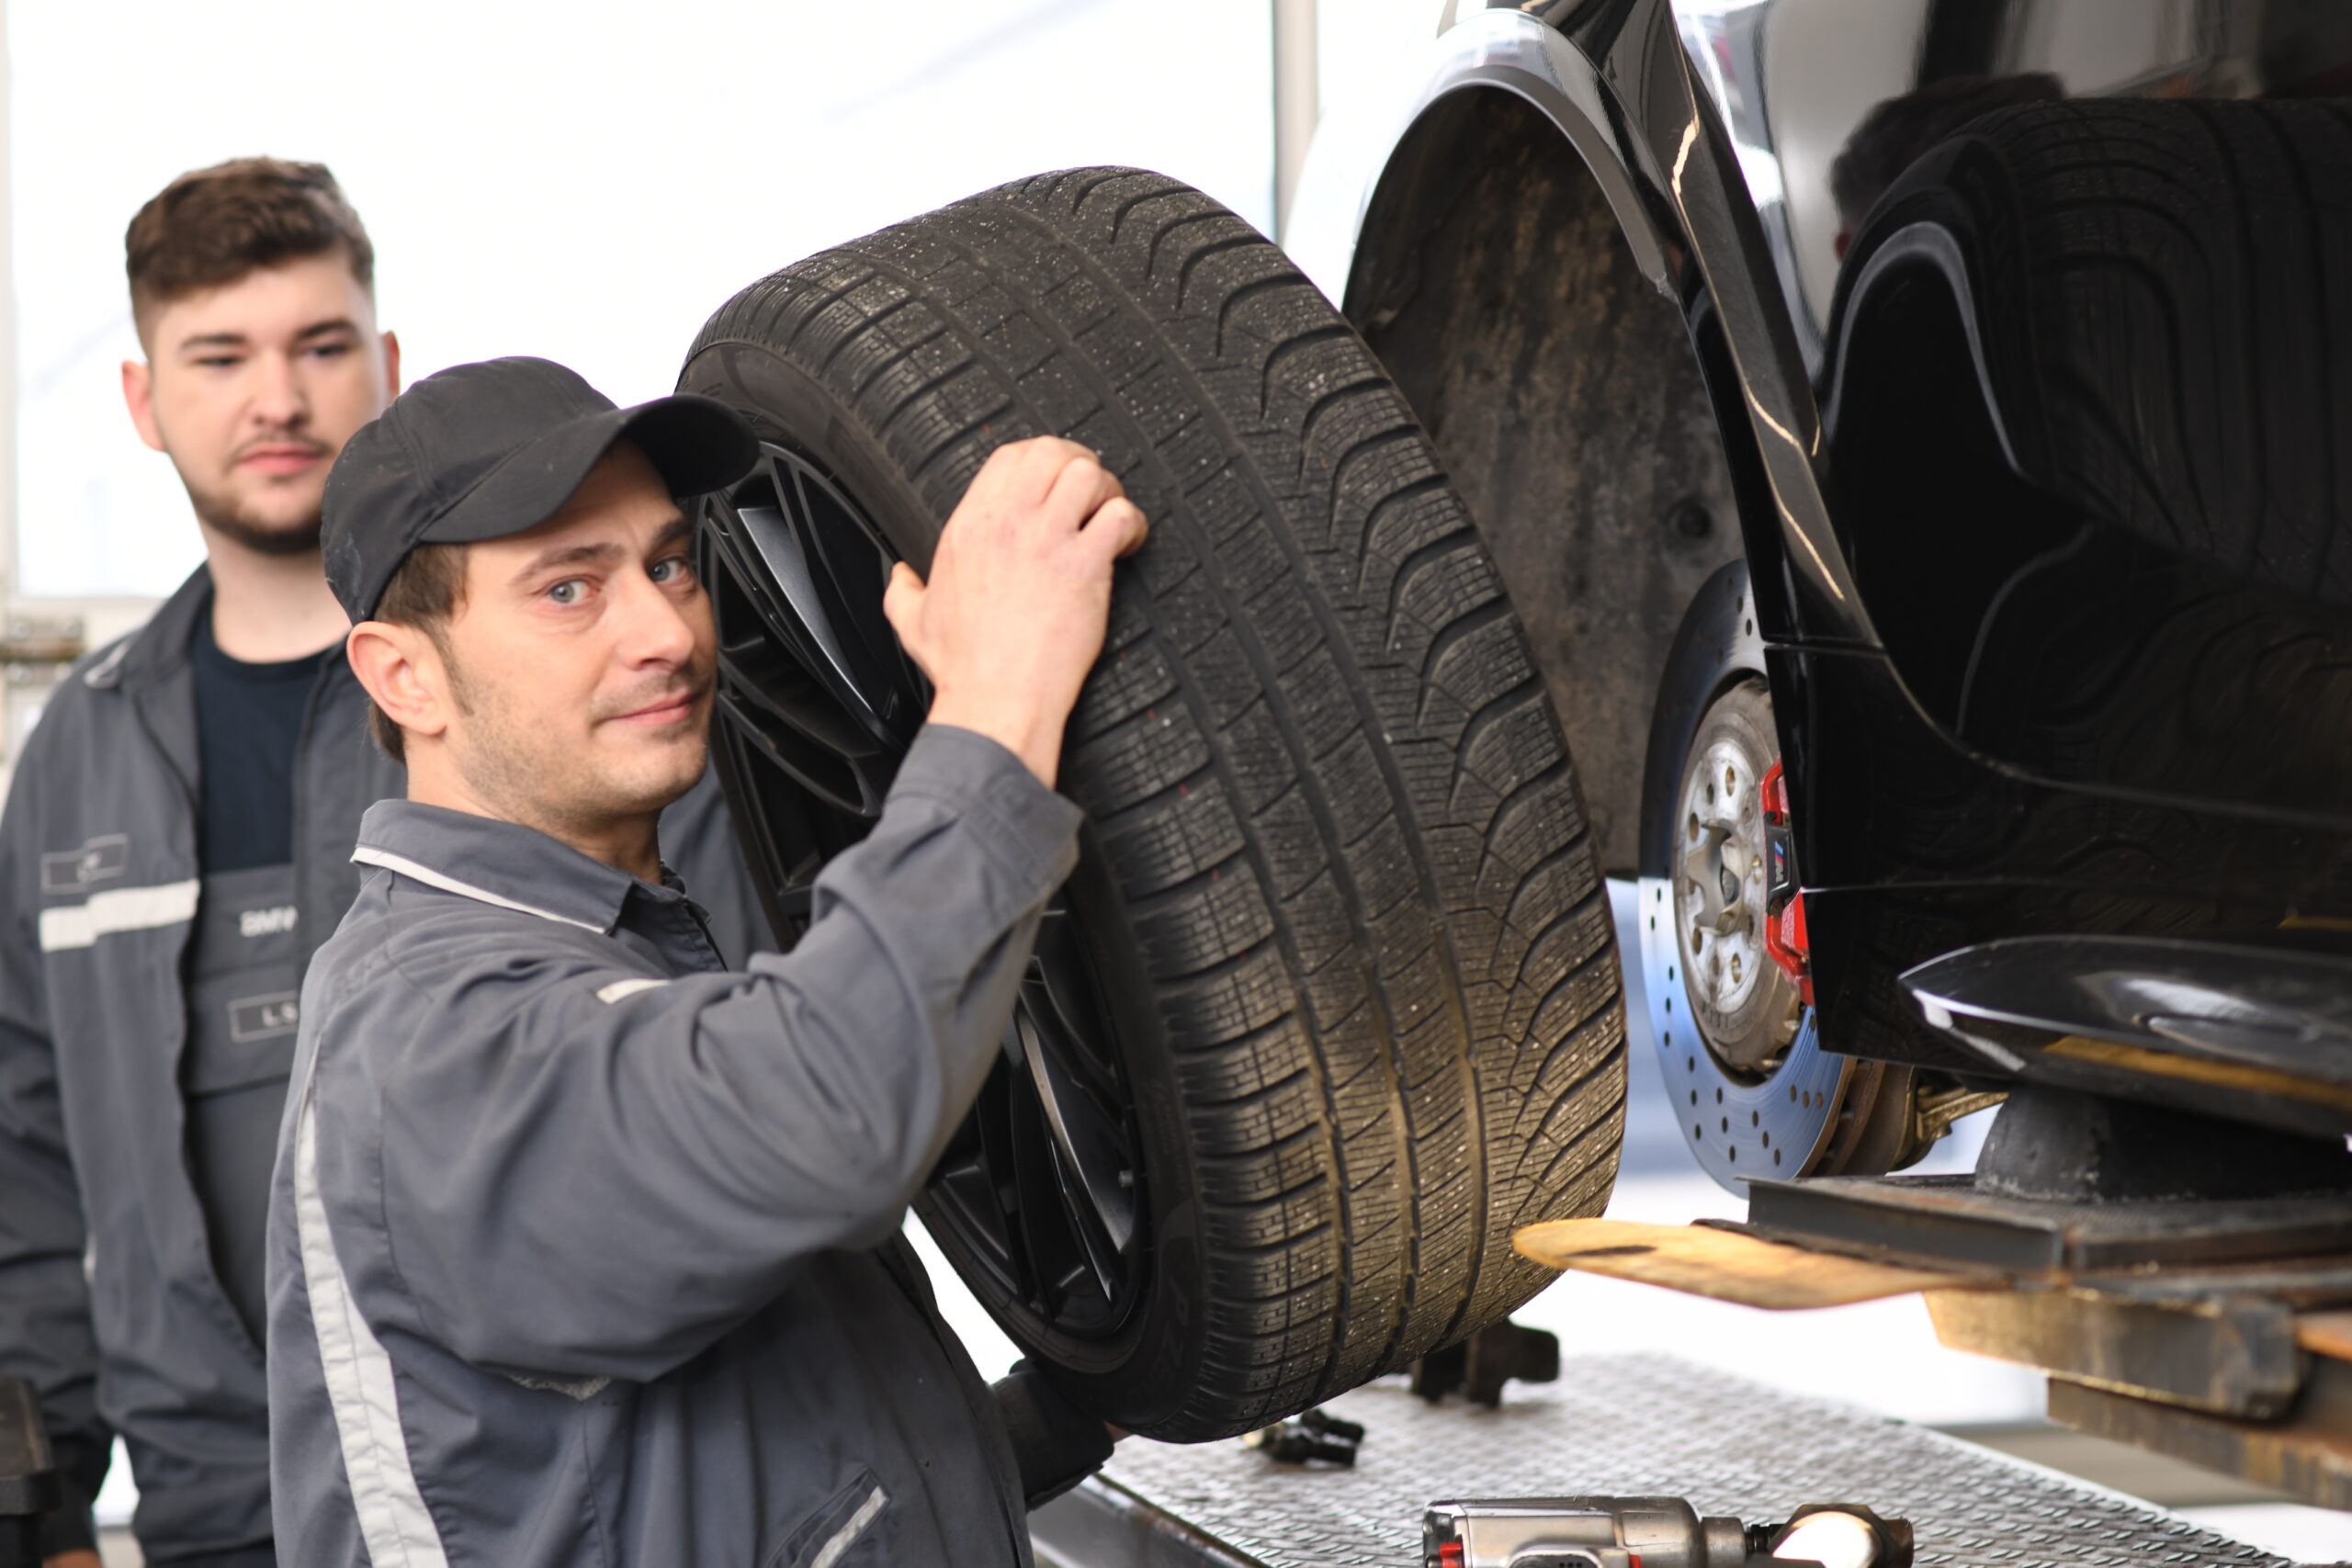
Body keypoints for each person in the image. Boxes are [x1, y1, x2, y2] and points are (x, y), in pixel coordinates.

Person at [0, 163, 768, 1568]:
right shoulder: (76, 763)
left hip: (539, 1491)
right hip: (206, 1516)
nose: (276, 400)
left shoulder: (557, 718)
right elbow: (26, 1169)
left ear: (387, 366)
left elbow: (735, 1032)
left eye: (320, 346)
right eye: (219, 356)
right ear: (143, 399)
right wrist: (37, 1518)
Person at [268, 355, 1142, 1565]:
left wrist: (1066, 1412)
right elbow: (824, 1114)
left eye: (669, 564)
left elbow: (726, 1473)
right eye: (569, 590)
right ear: (404, 675)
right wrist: (998, 699)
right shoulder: (430, 1039)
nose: (667, 633)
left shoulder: (613, 939)